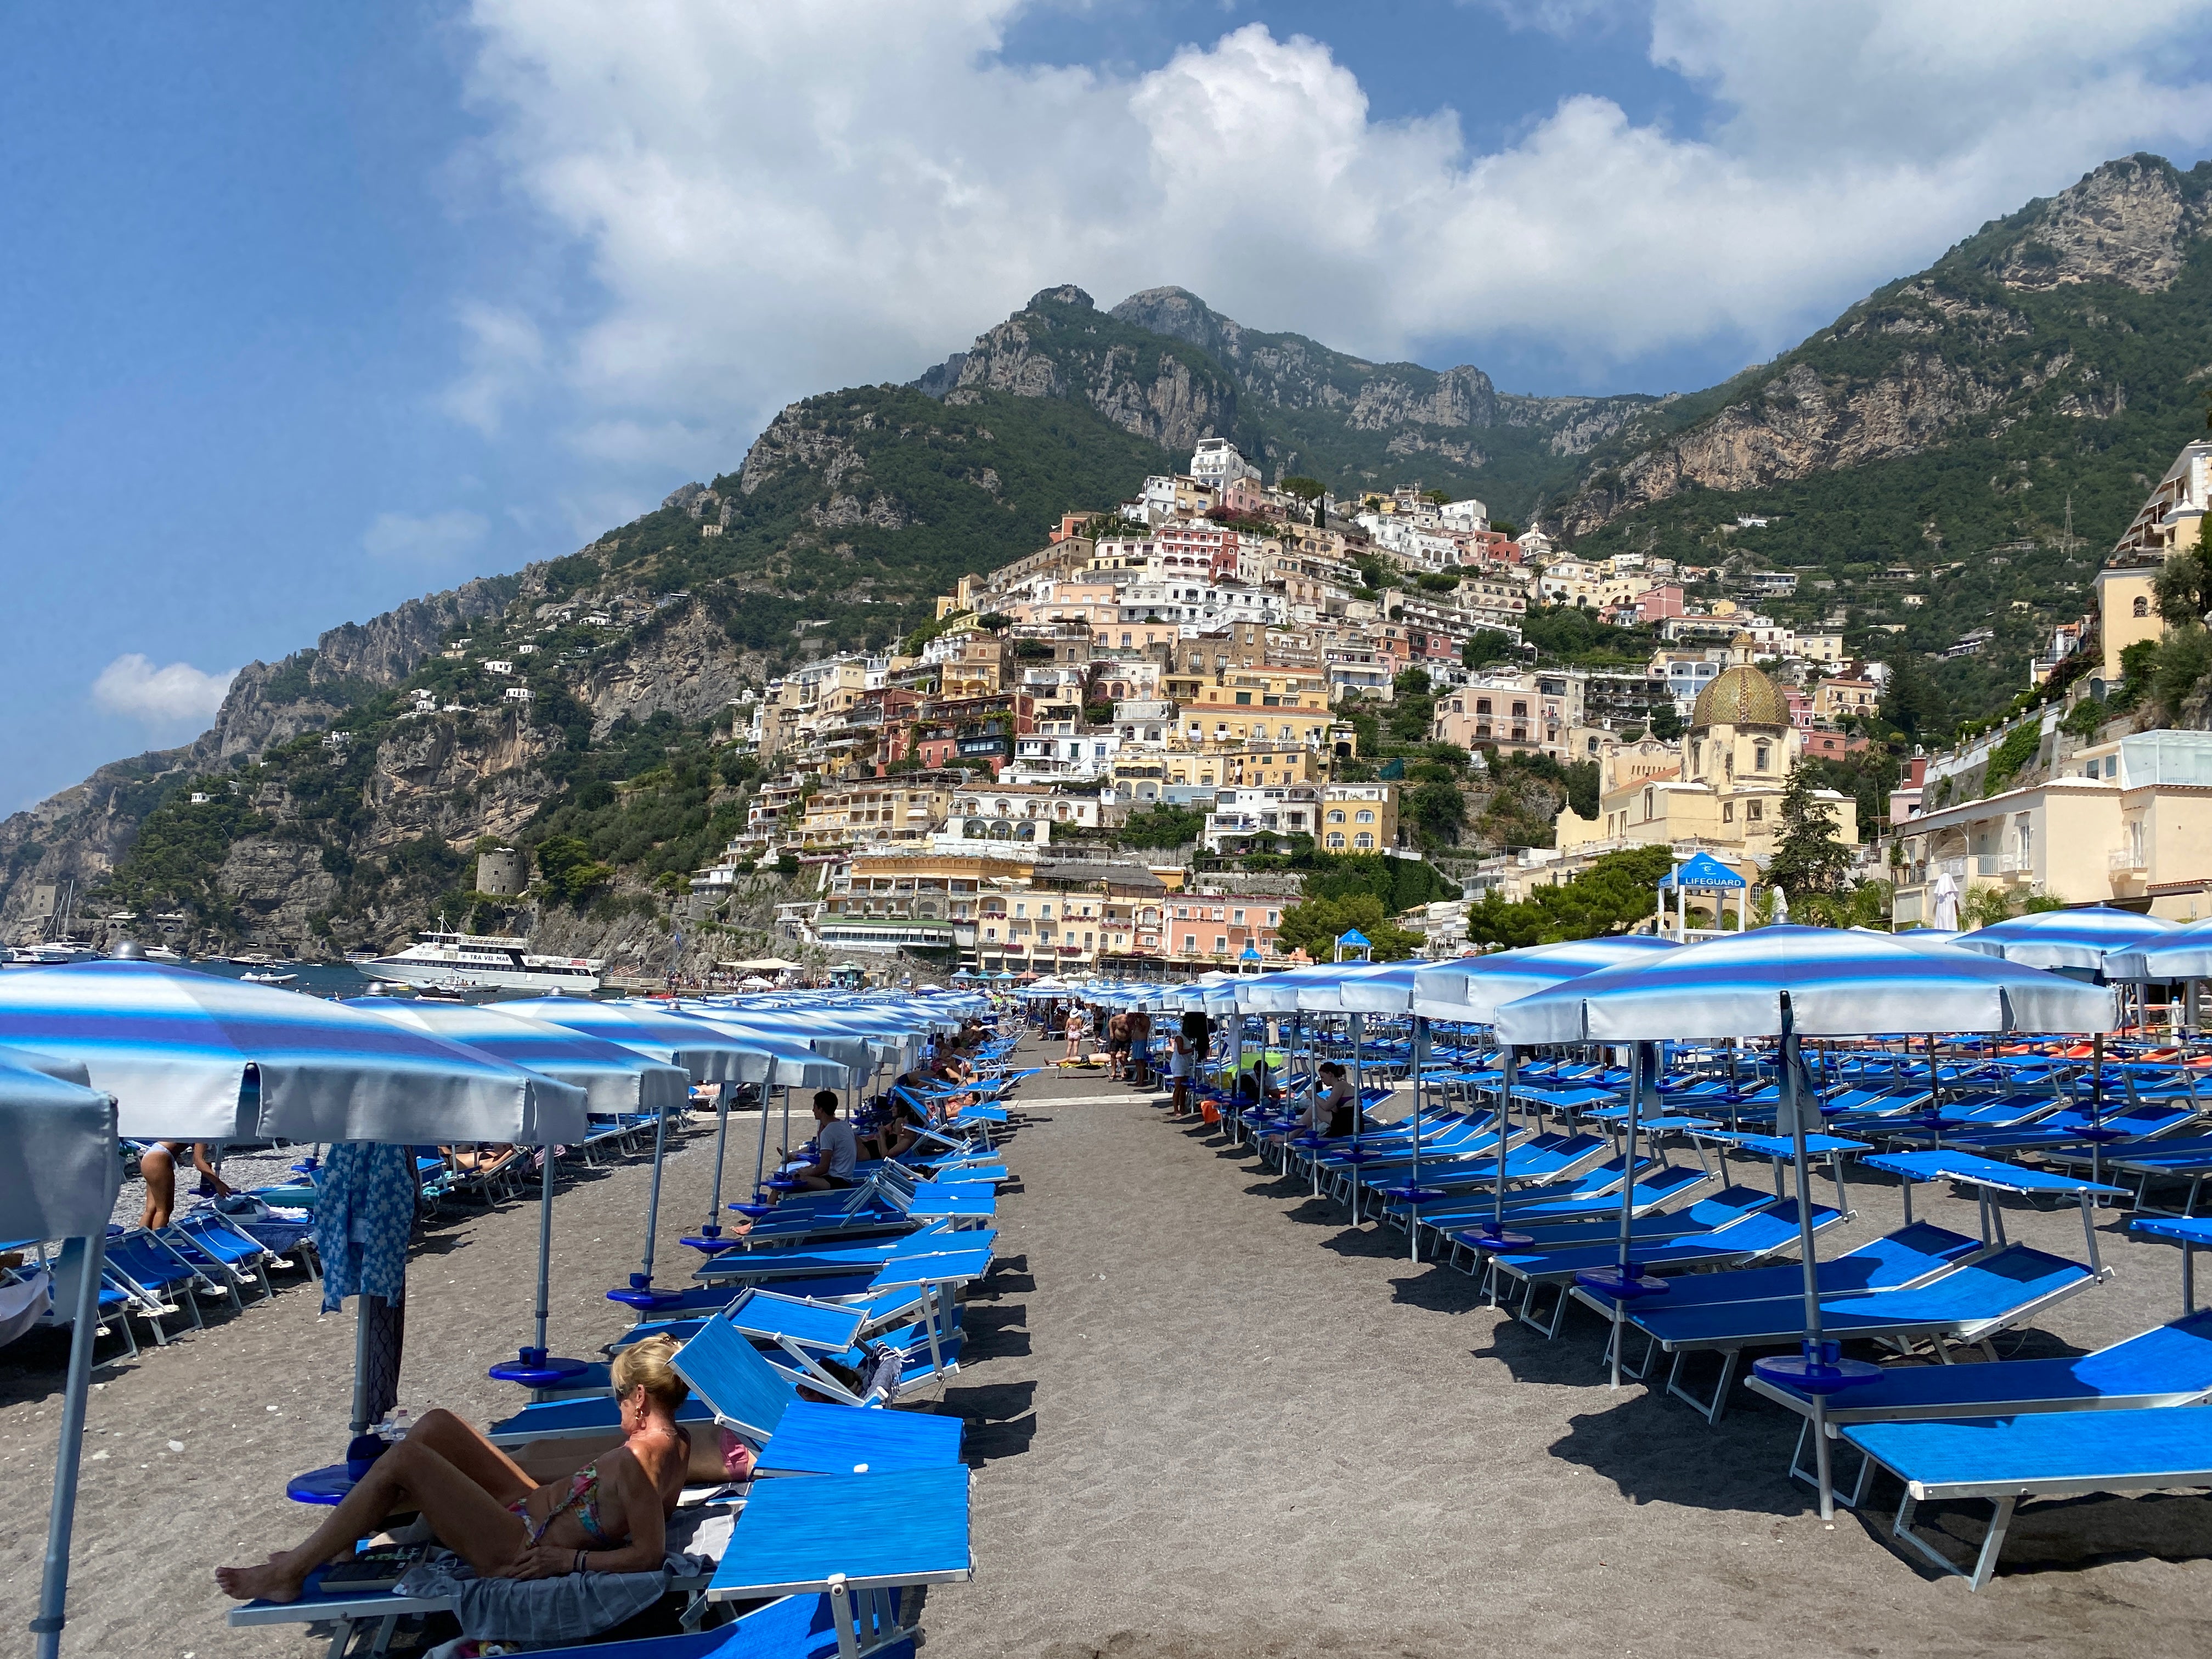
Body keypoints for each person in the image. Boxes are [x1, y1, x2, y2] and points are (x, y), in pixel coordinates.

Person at [216, 1335, 695, 1604]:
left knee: (406, 1459)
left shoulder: (637, 1459)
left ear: (639, 1397)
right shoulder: (679, 1444)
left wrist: (568, 1562)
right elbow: (642, 1517)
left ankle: (293, 1571)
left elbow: (648, 1556)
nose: (616, 1406)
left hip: (521, 1547)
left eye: (618, 1396)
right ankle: (338, 1545)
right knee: (436, 1424)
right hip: (535, 1509)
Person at [139, 1141, 232, 1231]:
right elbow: (198, 1161)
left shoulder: (190, 1128)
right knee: (164, 1210)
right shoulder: (201, 1133)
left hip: (152, 1154)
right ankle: (158, 1243)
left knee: (151, 1209)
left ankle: (140, 1241)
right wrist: (218, 1183)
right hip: (159, 1158)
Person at [781, 1091, 859, 1193]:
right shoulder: (843, 1125)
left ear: (821, 1109)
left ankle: (772, 1205)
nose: (813, 1110)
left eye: (815, 1107)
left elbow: (823, 1168)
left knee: (790, 1179)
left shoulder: (828, 1132)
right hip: (844, 1176)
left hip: (838, 1181)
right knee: (801, 1172)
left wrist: (804, 1174)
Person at [1310, 1062, 1359, 1139]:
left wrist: (1314, 1096)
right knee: (1315, 1107)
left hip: (1348, 1125)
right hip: (1347, 1123)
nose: (1322, 1081)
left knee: (1314, 1107)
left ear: (1330, 1074)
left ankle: (1292, 1134)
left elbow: (1327, 1107)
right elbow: (1335, 1110)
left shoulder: (1340, 1085)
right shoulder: (1340, 1085)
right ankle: (1295, 1133)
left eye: (1323, 1077)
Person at [1104, 1010, 1129, 1080]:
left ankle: (1123, 1071)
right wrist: (1111, 1032)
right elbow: (1110, 1021)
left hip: (1126, 1039)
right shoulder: (1120, 1018)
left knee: (1124, 1054)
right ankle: (1114, 1071)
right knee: (1113, 1053)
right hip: (1116, 1038)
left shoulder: (1132, 1020)